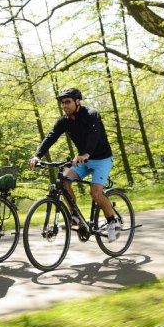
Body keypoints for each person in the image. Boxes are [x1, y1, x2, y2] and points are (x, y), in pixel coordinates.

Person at [29, 87, 120, 242]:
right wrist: (38, 155)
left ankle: (112, 221)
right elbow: (51, 136)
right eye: (63, 103)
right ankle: (75, 216)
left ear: (77, 101)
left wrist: (86, 154)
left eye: (68, 102)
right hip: (83, 160)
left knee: (95, 192)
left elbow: (94, 135)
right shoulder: (65, 120)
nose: (64, 106)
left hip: (101, 159)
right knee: (64, 181)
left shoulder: (91, 114)